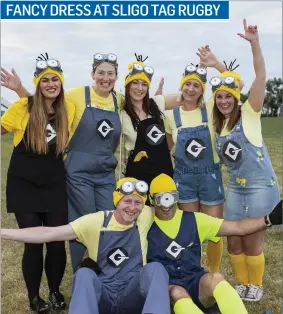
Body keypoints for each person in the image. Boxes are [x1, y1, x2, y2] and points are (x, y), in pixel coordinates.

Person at [1, 53, 125, 272]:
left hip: (105, 173)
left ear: (116, 76)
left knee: (110, 221)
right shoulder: (77, 94)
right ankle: (82, 273)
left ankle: (108, 272)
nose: (105, 78)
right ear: (92, 74)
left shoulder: (118, 100)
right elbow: (43, 103)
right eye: (101, 73)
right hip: (77, 172)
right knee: (84, 223)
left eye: (110, 73)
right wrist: (20, 89)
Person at [1, 177, 171, 314]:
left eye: (138, 202)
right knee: (83, 274)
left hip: (133, 297)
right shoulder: (94, 222)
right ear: (116, 201)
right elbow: (49, 233)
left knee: (156, 268)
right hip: (102, 298)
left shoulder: (146, 215)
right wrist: (3, 233)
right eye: (127, 201)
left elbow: (170, 206)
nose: (132, 208)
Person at [147, 174, 280, 314]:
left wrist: (269, 219)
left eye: (171, 197)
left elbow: (237, 227)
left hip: (195, 283)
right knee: (177, 292)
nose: (166, 205)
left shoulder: (194, 219)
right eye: (160, 199)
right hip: (168, 290)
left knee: (215, 278)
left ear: (177, 197)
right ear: (152, 201)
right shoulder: (146, 224)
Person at [211, 19, 280, 301]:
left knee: (252, 241)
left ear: (236, 97)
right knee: (233, 241)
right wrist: (218, 67)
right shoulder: (219, 126)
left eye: (229, 96)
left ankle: (256, 284)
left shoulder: (249, 113)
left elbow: (261, 77)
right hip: (236, 189)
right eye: (220, 97)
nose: (224, 101)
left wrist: (254, 44)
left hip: (260, 187)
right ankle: (241, 283)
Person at [1, 54, 75, 314]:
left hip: (54, 184)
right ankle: (34, 296)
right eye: (45, 80)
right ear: (38, 83)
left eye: (56, 79)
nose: (51, 84)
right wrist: (19, 91)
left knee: (56, 240)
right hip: (24, 184)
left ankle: (55, 291)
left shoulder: (69, 109)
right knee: (33, 241)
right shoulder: (21, 107)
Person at [164, 46, 228, 273]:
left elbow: (232, 83)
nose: (191, 89)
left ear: (202, 89)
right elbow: (167, 148)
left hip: (210, 176)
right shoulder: (171, 116)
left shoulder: (211, 109)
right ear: (182, 85)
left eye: (196, 85)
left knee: (215, 230)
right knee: (190, 229)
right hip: (184, 178)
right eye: (187, 84)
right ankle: (193, 271)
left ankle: (214, 273)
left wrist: (215, 64)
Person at [123, 55, 174, 202]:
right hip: (137, 173)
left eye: (144, 84)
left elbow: (189, 95)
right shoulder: (121, 111)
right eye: (135, 83)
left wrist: (206, 67)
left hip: (162, 171)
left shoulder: (157, 103)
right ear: (127, 85)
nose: (140, 88)